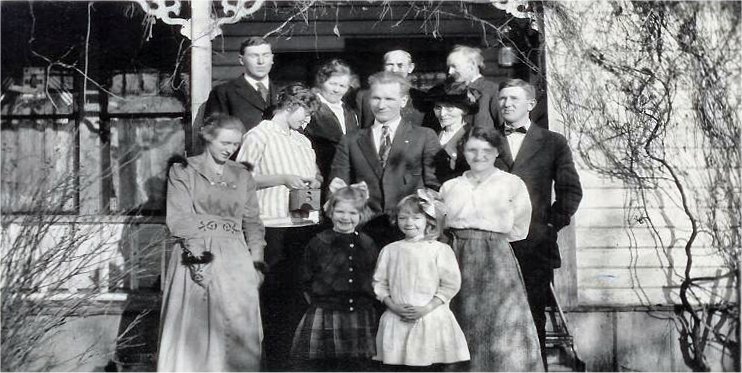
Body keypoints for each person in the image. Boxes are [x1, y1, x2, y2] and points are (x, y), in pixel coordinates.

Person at [158, 114, 266, 372]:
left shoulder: (242, 175)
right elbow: (180, 217)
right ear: (208, 137)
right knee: (196, 329)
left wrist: (256, 263)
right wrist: (198, 260)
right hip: (194, 254)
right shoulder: (183, 170)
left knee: (236, 330)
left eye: (235, 145)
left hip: (236, 259)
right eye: (225, 143)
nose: (230, 150)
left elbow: (252, 222)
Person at [495, 79, 583, 369]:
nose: (507, 104)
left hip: (534, 243)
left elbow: (571, 191)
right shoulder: (484, 139)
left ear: (530, 104)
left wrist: (550, 226)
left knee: (533, 314)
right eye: (503, 98)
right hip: (492, 243)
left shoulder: (552, 142)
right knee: (494, 314)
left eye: (514, 99)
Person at [235, 82, 323, 371]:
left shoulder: (302, 141)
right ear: (290, 106)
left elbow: (313, 174)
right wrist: (281, 178)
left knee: (296, 297)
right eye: (305, 113)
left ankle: (289, 358)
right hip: (272, 226)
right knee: (272, 297)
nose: (307, 120)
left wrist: (314, 181)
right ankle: (269, 361)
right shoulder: (259, 135)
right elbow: (241, 179)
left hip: (303, 225)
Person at [440, 125, 543, 371]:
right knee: (462, 317)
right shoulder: (451, 187)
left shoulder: (510, 183)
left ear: (497, 151)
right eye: (472, 149)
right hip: (458, 255)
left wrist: (491, 241)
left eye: (486, 150)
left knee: (501, 320)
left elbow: (520, 226)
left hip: (496, 256)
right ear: (463, 152)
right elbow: (441, 223)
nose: (479, 156)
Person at [330, 71, 441, 247]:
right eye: (376, 98)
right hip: (363, 234)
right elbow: (337, 188)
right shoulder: (350, 140)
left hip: (410, 233)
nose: (381, 105)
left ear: (403, 101)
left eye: (389, 99)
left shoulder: (424, 136)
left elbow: (435, 188)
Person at [372, 190, 469, 369]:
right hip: (397, 317)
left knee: (429, 365)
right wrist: (393, 306)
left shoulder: (440, 250)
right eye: (403, 218)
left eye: (416, 218)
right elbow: (379, 283)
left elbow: (450, 285)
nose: (409, 223)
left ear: (429, 221)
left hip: (430, 317)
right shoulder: (390, 250)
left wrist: (426, 309)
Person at [290, 180, 380, 372]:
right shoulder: (319, 242)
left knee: (355, 365)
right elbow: (306, 277)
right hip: (326, 311)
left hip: (358, 312)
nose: (345, 217)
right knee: (323, 365)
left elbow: (375, 276)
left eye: (352, 213)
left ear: (361, 215)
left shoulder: (367, 243)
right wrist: (320, 301)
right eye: (340, 211)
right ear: (330, 211)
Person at [304, 59, 360, 203]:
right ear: (322, 82)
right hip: (320, 173)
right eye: (333, 84)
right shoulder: (311, 109)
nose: (337, 90)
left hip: (346, 176)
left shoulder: (349, 111)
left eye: (342, 85)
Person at [205, 37, 277, 133]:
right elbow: (214, 135)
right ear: (241, 60)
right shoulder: (223, 92)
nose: (261, 61)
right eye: (254, 56)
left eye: (266, 55)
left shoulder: (283, 91)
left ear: (272, 59)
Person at [429, 45, 500, 131]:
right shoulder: (449, 90)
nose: (450, 72)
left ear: (472, 65)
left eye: (454, 66)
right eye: (449, 67)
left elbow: (503, 127)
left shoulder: (492, 90)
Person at [356, 50, 428, 128]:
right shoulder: (365, 96)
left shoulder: (422, 99)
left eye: (400, 65)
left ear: (410, 67)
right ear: (383, 67)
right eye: (390, 64)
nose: (394, 70)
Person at [428, 81, 477, 183]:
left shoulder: (472, 136)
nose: (442, 114)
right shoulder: (432, 135)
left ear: (464, 110)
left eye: (449, 108)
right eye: (438, 107)